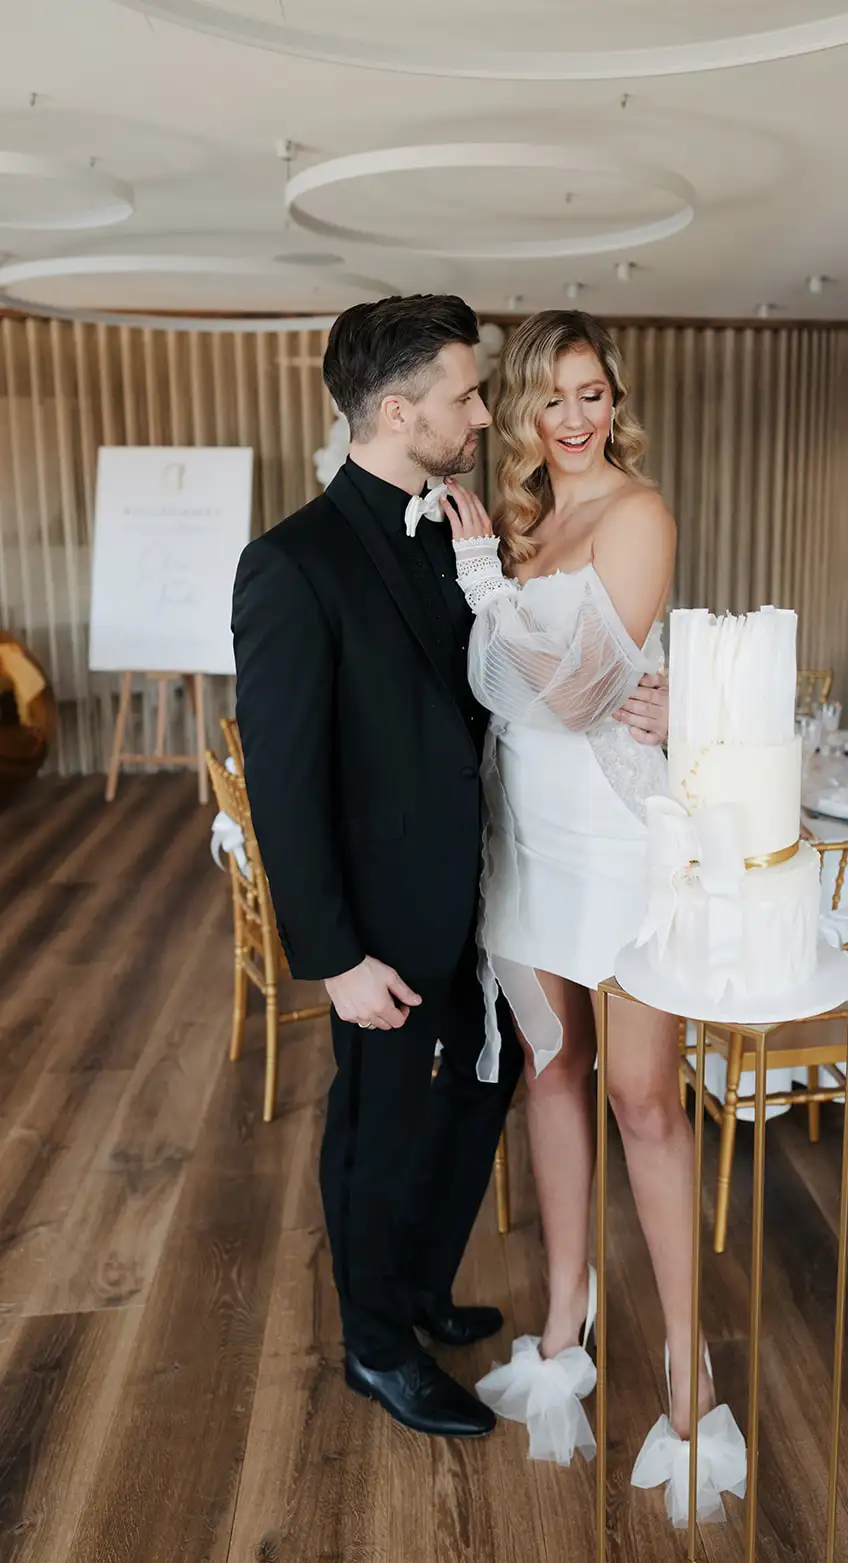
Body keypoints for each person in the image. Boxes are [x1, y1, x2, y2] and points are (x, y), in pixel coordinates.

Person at [231, 294, 668, 1441]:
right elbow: (283, 784)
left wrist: (658, 697)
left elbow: (521, 685)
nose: (484, 415)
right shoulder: (291, 563)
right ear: (397, 410)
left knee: (476, 1104)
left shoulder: (464, 527)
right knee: (377, 1128)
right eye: (466, 397)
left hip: (488, 895)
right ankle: (376, 1346)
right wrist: (334, 956)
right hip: (381, 925)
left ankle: (422, 1285)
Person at [440, 310, 727, 1491]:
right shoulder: (524, 523)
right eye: (551, 397)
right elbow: (523, 699)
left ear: (615, 400)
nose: (573, 417)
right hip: (524, 832)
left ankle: (683, 1354)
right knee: (546, 1071)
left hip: (610, 836)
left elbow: (575, 694)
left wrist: (478, 584)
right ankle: (565, 1306)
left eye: (591, 392)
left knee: (640, 1097)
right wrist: (488, 566)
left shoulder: (635, 514)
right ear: (522, 408)